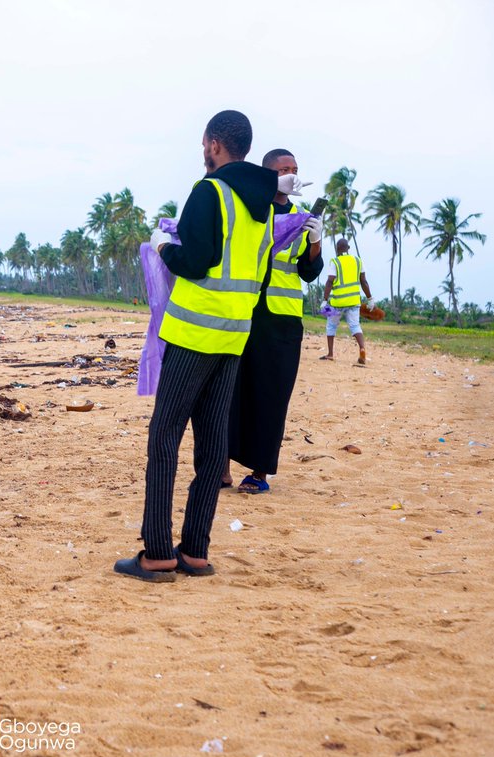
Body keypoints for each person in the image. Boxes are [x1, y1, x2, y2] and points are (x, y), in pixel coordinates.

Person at [113, 110, 277, 583]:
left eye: (204, 144)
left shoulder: (210, 191)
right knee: (212, 445)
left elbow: (197, 259)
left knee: (164, 436)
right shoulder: (263, 204)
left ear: (213, 144)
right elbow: (260, 273)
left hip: (192, 333)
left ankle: (159, 553)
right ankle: (196, 551)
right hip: (234, 335)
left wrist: (164, 249)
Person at [222, 149, 325, 494]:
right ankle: (220, 466)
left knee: (271, 395)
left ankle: (259, 472)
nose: (292, 175)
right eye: (284, 169)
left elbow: (309, 273)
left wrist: (315, 240)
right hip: (243, 311)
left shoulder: (302, 216)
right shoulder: (253, 209)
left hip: (281, 322)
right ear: (267, 174)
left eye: (296, 169)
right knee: (229, 390)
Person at [321, 241, 373, 364]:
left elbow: (330, 281)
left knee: (331, 326)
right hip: (354, 301)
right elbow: (364, 281)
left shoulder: (335, 262)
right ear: (348, 248)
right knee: (355, 326)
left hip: (337, 302)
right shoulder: (358, 260)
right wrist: (370, 298)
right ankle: (362, 349)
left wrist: (324, 300)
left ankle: (330, 354)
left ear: (337, 249)